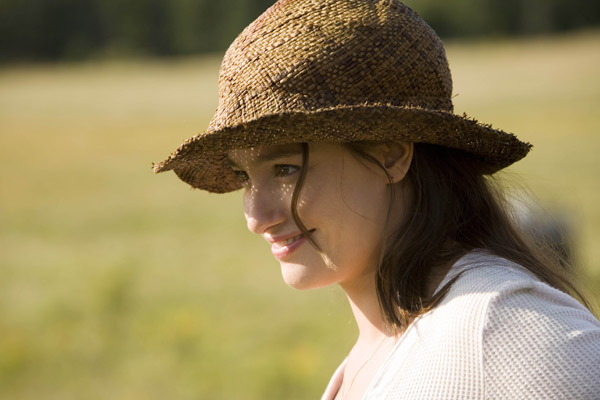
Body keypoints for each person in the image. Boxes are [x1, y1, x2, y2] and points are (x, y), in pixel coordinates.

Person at [154, 0, 600, 398]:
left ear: (391, 155)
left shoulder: (510, 337)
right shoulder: (389, 343)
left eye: (285, 169)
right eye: (243, 176)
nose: (256, 216)